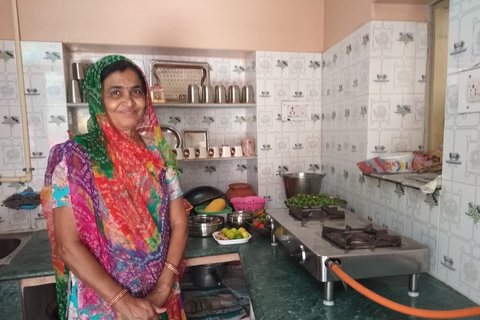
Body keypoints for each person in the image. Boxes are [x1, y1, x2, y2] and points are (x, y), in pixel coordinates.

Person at [41, 55, 188, 320]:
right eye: (115, 92)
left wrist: (163, 288)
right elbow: (68, 245)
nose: (128, 101)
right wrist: (124, 303)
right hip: (101, 306)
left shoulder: (159, 156)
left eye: (136, 91)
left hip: (159, 300)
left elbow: (179, 222)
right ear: (99, 99)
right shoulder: (75, 160)